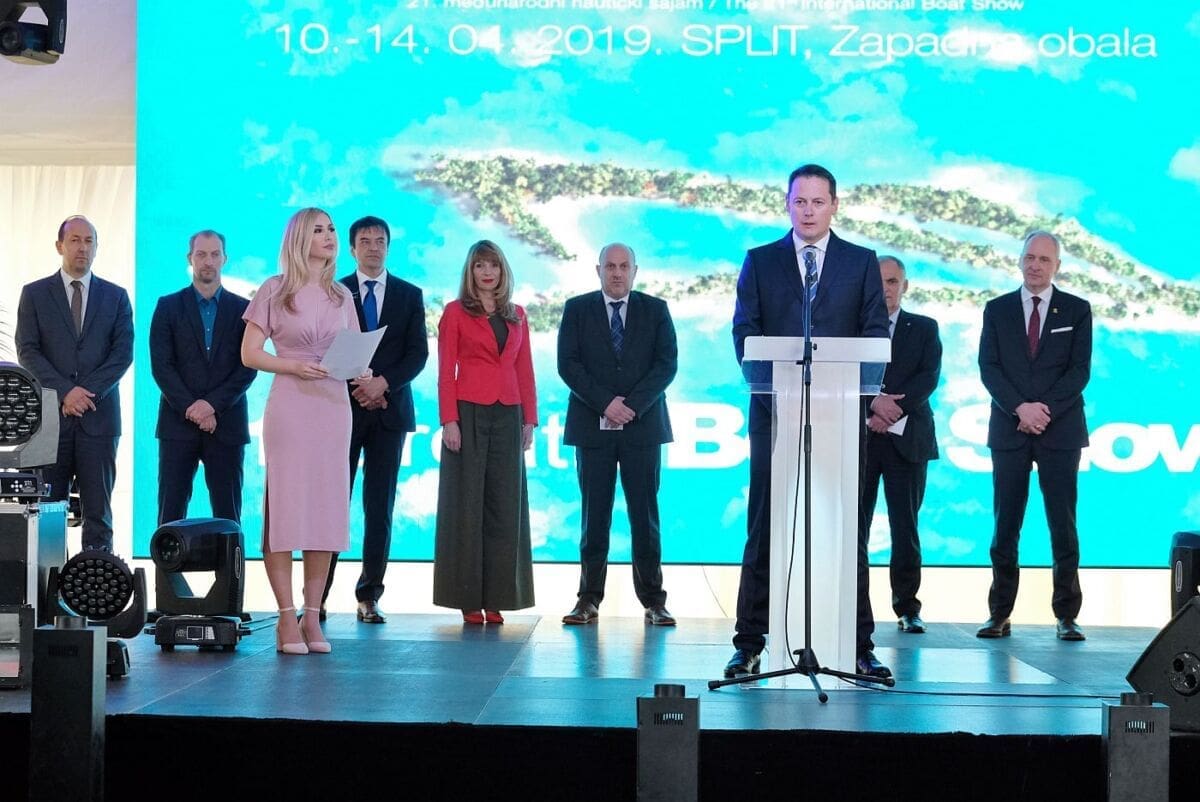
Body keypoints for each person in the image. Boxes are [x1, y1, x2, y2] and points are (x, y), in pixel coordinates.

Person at [728, 164, 890, 679]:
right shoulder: (761, 261)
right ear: (787, 203)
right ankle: (749, 642)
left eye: (819, 202)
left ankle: (859, 644)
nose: (809, 211)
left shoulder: (861, 262)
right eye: (800, 201)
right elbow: (745, 333)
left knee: (847, 526)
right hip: (774, 413)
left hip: (839, 415)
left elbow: (874, 334)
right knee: (764, 525)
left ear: (834, 205)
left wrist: (852, 393)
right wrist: (776, 389)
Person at [241, 207, 363, 655]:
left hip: (333, 408)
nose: (329, 236)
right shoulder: (274, 289)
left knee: (325, 512)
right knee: (286, 509)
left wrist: (361, 368)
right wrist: (292, 365)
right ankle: (285, 616)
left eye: (331, 229)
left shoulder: (341, 295)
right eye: (319, 230)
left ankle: (313, 616)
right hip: (291, 406)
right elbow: (250, 353)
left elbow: (352, 351)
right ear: (298, 238)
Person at [977, 230, 1091, 642]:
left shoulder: (1077, 310)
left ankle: (1067, 615)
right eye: (1030, 257)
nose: (1035, 265)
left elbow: (1079, 371)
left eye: (1044, 259)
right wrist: (1019, 408)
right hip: (1010, 429)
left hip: (1060, 430)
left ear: (1057, 265)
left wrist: (1043, 410)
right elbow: (989, 367)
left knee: (1063, 524)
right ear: (1020, 260)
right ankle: (999, 613)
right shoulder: (997, 309)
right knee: (1005, 524)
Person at [558, 243, 679, 627]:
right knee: (594, 518)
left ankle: (654, 601)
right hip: (592, 427)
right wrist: (605, 403)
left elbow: (666, 365)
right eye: (610, 266)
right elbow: (568, 364)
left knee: (645, 518)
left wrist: (632, 406)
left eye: (624, 266)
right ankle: (588, 599)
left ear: (635, 271)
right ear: (598, 270)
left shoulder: (656, 310)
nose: (616, 272)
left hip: (642, 427)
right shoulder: (577, 309)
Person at [321, 215, 429, 624]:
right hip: (343, 410)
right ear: (352, 249)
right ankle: (317, 596)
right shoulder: (334, 292)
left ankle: (369, 595)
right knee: (333, 503)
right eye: (364, 240)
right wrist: (360, 387)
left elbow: (417, 354)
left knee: (379, 507)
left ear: (388, 246)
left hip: (389, 411)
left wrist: (383, 384)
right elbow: (324, 348)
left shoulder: (409, 294)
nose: (373, 247)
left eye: (380, 240)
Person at [433, 239, 537, 625]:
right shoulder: (455, 312)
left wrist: (530, 420)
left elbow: (524, 369)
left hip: (509, 413)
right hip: (468, 412)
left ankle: (498, 598)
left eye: (493, 265)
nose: (487, 272)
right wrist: (449, 420)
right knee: (466, 505)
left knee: (505, 507)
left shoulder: (518, 314)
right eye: (480, 265)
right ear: (471, 271)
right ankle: (467, 598)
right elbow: (446, 371)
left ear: (502, 270)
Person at [15, 215, 133, 552]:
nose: (83, 247)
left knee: (98, 514)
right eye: (75, 240)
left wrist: (85, 394)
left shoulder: (116, 297)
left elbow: (122, 353)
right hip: (51, 422)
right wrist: (66, 392)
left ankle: (95, 581)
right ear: (60, 246)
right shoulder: (35, 294)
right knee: (48, 513)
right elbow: (27, 350)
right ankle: (49, 582)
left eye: (89, 241)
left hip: (99, 420)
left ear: (96, 248)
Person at [859, 256, 942, 635]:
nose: (886, 289)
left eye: (893, 281)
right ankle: (853, 606)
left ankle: (908, 607)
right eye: (879, 282)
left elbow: (928, 378)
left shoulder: (924, 328)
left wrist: (890, 411)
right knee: (854, 528)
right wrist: (872, 404)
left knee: (905, 527)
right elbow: (841, 375)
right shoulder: (851, 329)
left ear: (904, 286)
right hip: (860, 439)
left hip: (908, 440)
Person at [149, 230, 256, 525]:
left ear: (224, 259)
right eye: (201, 254)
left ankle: (229, 562)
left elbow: (247, 367)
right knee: (170, 515)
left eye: (214, 254)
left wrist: (211, 406)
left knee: (228, 517)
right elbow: (162, 366)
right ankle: (167, 561)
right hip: (177, 425)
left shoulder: (244, 310)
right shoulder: (167, 306)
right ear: (190, 258)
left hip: (227, 424)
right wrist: (192, 408)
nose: (208, 261)